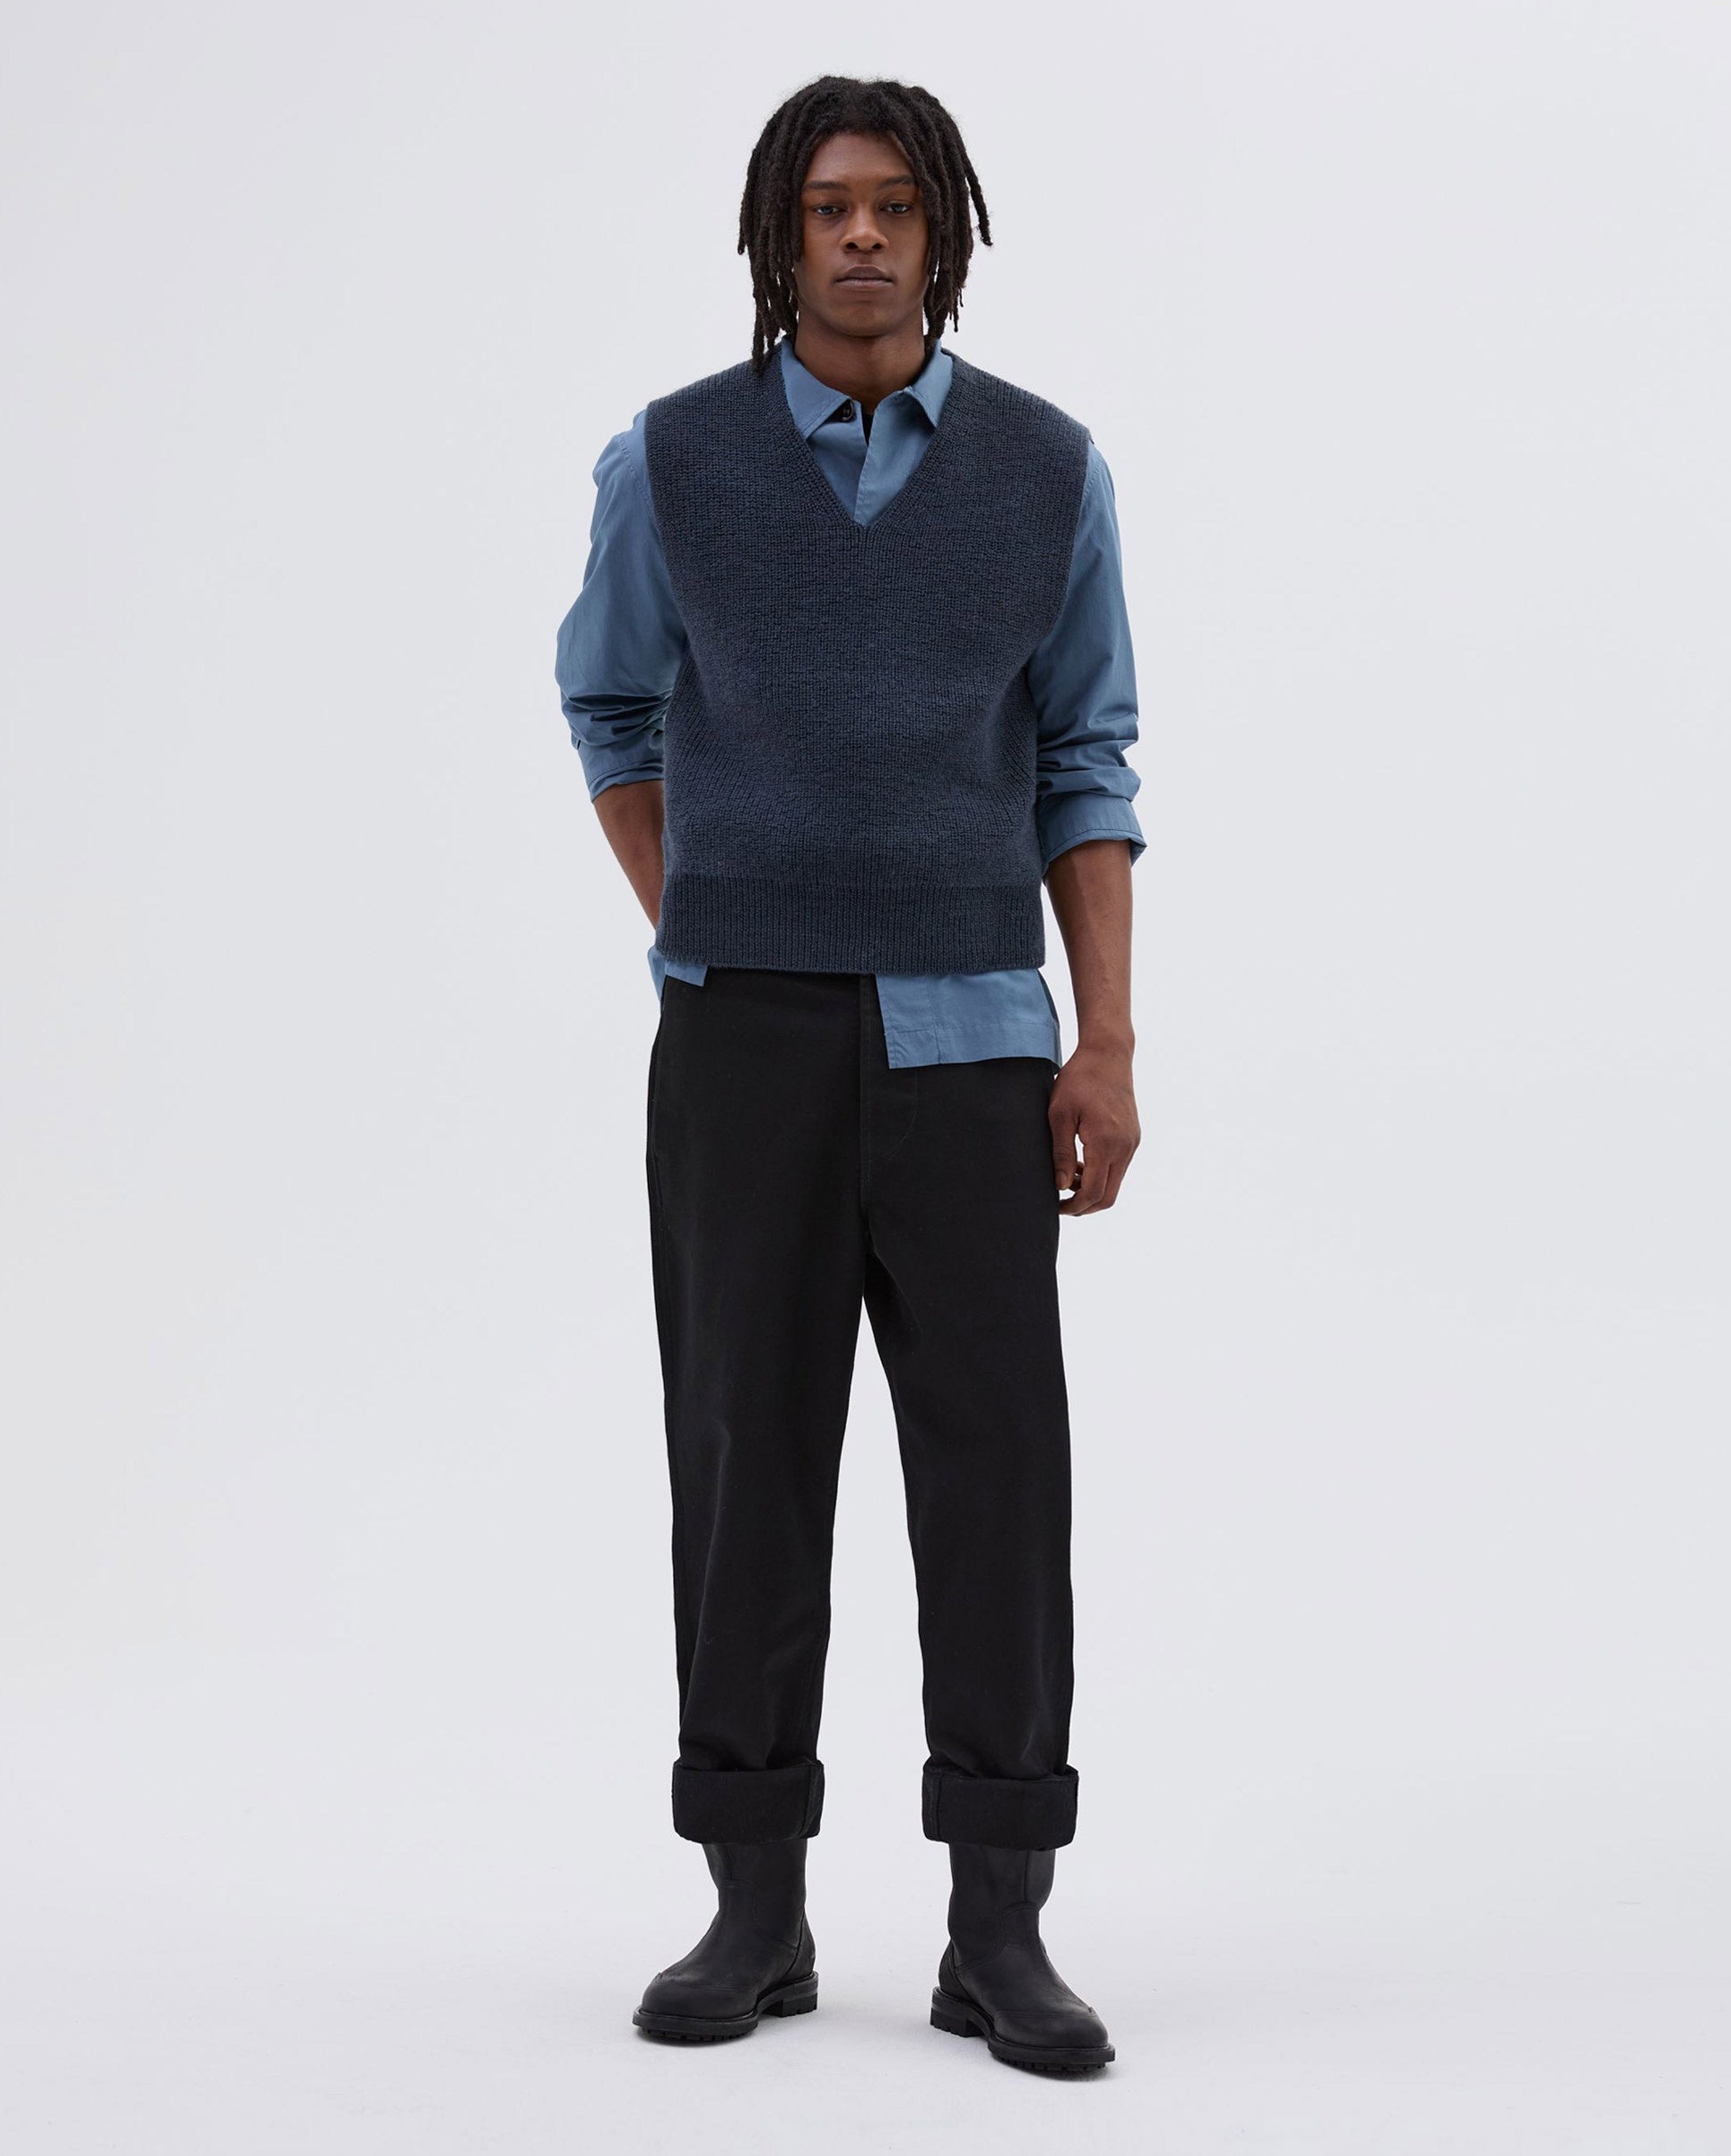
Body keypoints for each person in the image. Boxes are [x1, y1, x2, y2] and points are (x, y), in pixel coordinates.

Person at [554, 73, 1143, 2076]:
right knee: (743, 1463)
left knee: (998, 1476)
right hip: (745, 1038)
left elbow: (1085, 757)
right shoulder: (673, 460)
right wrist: (704, 905)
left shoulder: (1049, 472)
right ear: (778, 237)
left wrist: (1105, 1041)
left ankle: (999, 1927)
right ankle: (753, 1906)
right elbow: (608, 702)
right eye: (828, 208)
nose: (864, 234)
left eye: (895, 203)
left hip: (976, 1038)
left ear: (940, 232)